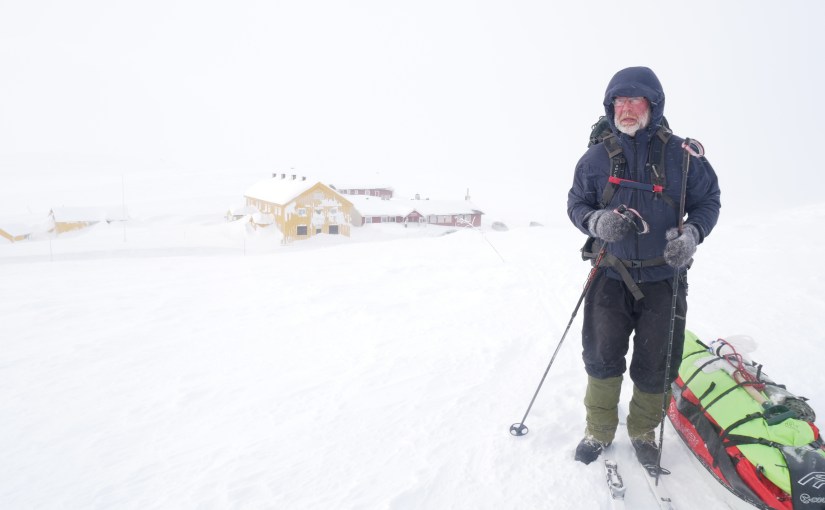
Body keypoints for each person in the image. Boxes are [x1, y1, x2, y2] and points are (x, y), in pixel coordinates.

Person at [566, 66, 721, 469]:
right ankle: (598, 431)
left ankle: (642, 430)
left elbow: (709, 202)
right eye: (620, 100)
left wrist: (692, 236)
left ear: (653, 105)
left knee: (657, 363)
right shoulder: (596, 158)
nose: (627, 108)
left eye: (636, 100)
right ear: (610, 106)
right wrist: (595, 221)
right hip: (610, 273)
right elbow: (577, 204)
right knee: (602, 357)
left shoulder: (683, 157)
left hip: (664, 279)